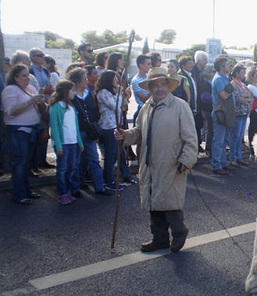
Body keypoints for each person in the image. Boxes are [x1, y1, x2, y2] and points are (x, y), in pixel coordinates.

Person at [114, 67, 198, 253]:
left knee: (170, 200)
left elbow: (191, 138)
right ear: (150, 87)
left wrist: (187, 159)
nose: (159, 88)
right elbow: (138, 133)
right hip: (149, 161)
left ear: (168, 85)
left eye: (163, 84)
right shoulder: (146, 107)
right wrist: (125, 135)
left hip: (171, 161)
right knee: (153, 200)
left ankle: (179, 231)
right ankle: (159, 238)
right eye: (155, 85)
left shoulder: (180, 106)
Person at [2, 64, 44, 204]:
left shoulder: (31, 88)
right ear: (15, 77)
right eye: (24, 75)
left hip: (32, 129)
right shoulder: (10, 90)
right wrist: (31, 101)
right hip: (18, 131)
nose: (28, 78)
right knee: (20, 162)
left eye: (28, 75)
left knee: (26, 162)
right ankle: (20, 194)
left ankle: (26, 190)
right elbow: (10, 111)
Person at [67, 68, 111, 196]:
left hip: (90, 132)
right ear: (77, 81)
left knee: (94, 159)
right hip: (77, 132)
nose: (87, 81)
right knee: (77, 161)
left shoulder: (89, 93)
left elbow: (94, 111)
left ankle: (99, 186)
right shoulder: (71, 95)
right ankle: (75, 187)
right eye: (84, 78)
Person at [95, 70, 134, 190]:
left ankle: (125, 175)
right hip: (108, 126)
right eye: (115, 79)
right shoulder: (103, 93)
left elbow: (123, 105)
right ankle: (108, 181)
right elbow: (116, 107)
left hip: (117, 125)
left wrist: (124, 96)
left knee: (121, 152)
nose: (117, 81)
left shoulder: (113, 92)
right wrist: (120, 94)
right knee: (111, 155)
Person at [49, 80, 84, 205]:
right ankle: (63, 192)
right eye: (72, 90)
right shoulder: (56, 107)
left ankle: (68, 190)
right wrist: (58, 145)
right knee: (63, 168)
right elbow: (55, 128)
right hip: (63, 144)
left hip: (73, 143)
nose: (74, 92)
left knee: (72, 167)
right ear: (65, 91)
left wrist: (80, 142)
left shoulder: (72, 107)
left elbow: (76, 127)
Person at [211, 55, 235, 175]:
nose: (229, 66)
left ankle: (223, 163)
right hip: (221, 112)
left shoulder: (224, 77)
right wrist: (232, 88)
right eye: (227, 65)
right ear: (221, 66)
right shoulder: (219, 79)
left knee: (224, 140)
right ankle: (217, 164)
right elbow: (224, 95)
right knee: (219, 141)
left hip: (226, 112)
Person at [229, 65, 253, 167]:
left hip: (244, 113)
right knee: (235, 136)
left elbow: (249, 95)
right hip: (238, 113)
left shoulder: (242, 84)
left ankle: (238, 156)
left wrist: (246, 98)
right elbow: (238, 98)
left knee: (240, 137)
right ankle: (233, 157)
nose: (244, 74)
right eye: (242, 72)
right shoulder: (233, 84)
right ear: (237, 73)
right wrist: (246, 98)